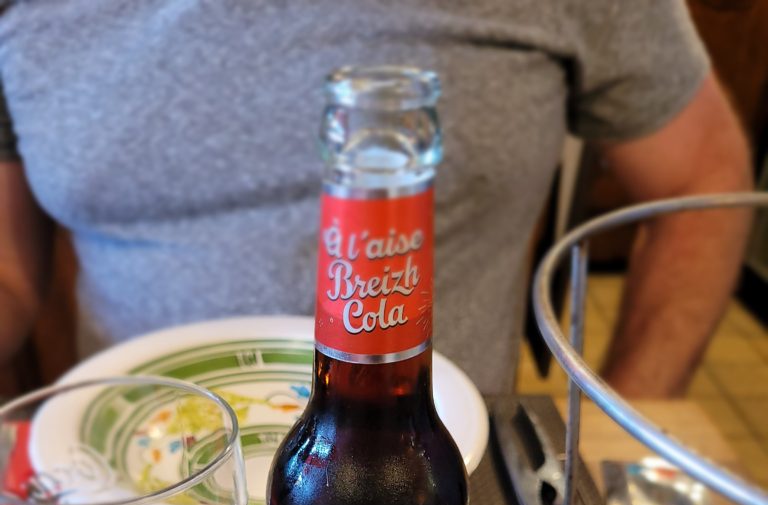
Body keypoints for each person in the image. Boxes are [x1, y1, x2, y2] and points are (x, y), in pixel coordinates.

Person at [0, 0, 753, 399]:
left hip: (438, 497)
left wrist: (628, 425)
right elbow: (9, 271)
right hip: (129, 489)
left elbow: (702, 176)